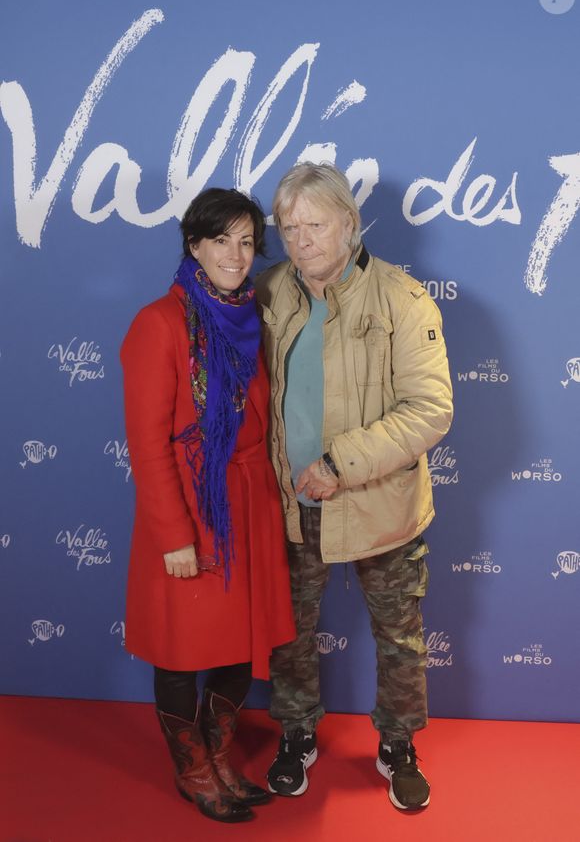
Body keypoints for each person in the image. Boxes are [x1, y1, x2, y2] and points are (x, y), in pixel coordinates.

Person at [255, 163, 453, 811]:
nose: (302, 239)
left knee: (399, 635)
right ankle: (296, 732)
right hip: (292, 504)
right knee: (289, 631)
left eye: (315, 224)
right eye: (289, 227)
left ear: (348, 222)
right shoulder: (270, 292)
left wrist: (341, 463)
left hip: (379, 504)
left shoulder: (402, 298)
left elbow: (430, 409)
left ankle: (399, 745)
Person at [121, 188, 296, 824]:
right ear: (194, 245)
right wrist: (174, 535)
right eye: (221, 240)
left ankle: (221, 758)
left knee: (235, 642)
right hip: (192, 510)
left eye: (248, 242)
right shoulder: (158, 323)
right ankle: (193, 770)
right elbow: (147, 443)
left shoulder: (253, 316)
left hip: (249, 503)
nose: (236, 254)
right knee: (182, 648)